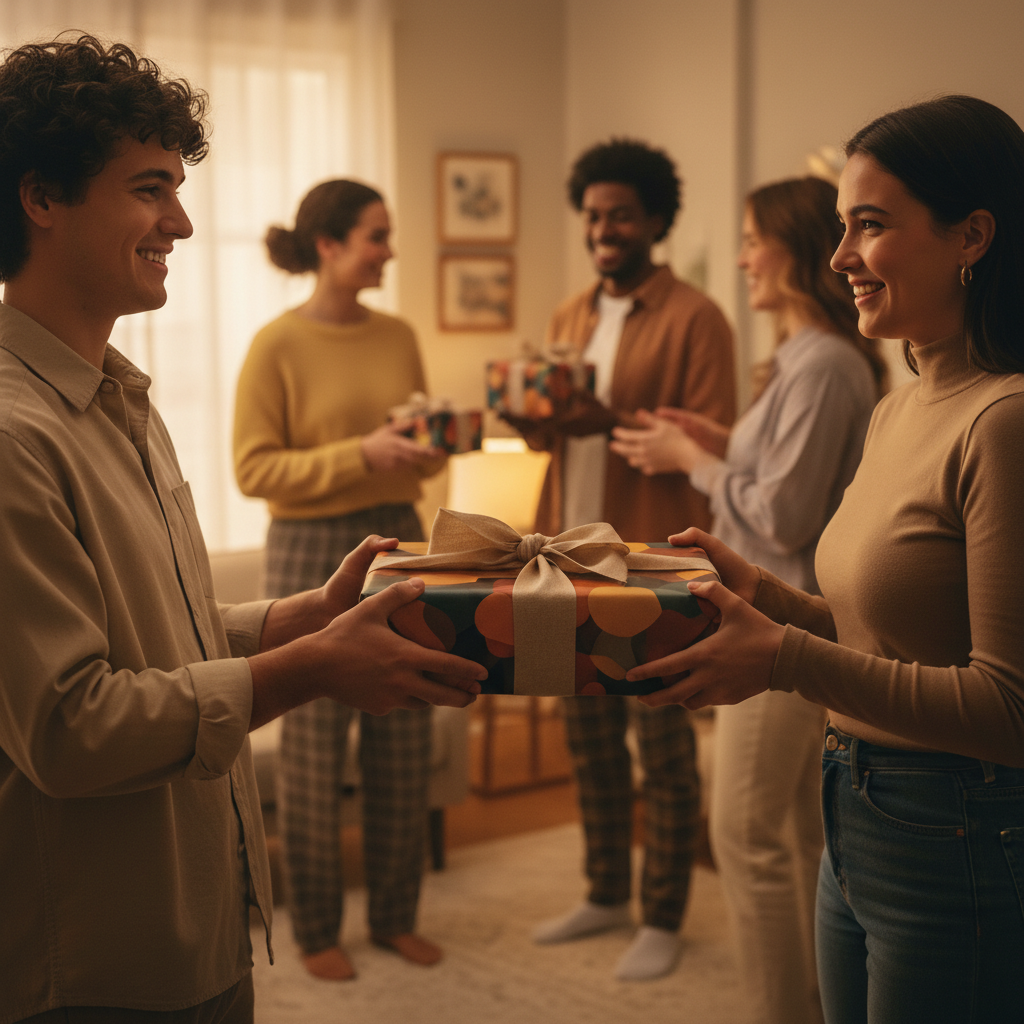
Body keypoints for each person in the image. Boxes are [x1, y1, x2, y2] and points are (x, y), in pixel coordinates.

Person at [0, 35, 484, 1024]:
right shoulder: (13, 438)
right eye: (149, 190)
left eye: (177, 190)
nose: (181, 222)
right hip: (100, 970)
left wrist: (294, 620)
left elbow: (154, 637)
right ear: (41, 198)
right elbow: (71, 728)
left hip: (202, 931)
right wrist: (307, 669)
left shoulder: (124, 403)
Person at [626, 96, 1024, 1023]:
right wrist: (767, 595)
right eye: (841, 227)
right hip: (855, 806)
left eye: (870, 225)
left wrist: (783, 658)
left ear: (972, 237)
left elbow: (1008, 709)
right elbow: (883, 634)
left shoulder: (1003, 422)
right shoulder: (898, 405)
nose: (840, 256)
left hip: (955, 828)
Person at [611, 176, 886, 1024]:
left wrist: (692, 462)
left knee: (745, 833)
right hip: (780, 612)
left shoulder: (825, 365)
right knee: (796, 835)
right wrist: (720, 442)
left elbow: (783, 513)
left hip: (783, 620)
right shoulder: (802, 361)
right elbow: (782, 475)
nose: (741, 260)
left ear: (793, 253)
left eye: (752, 241)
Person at [509, 139, 736, 981]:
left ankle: (664, 913)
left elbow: (707, 447)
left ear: (656, 221)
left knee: (662, 746)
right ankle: (605, 891)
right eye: (594, 216)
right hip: (564, 556)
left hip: (648, 561)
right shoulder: (570, 314)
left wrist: (603, 418)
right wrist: (533, 419)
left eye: (622, 216)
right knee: (589, 739)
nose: (604, 230)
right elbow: (556, 432)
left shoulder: (697, 318)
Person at [233, 180, 448, 982]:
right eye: (376, 236)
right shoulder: (275, 345)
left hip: (399, 535)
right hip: (310, 550)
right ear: (327, 244)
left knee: (405, 730)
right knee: (315, 749)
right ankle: (318, 927)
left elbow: (414, 453)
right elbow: (253, 469)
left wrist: (424, 450)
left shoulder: (398, 335)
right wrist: (361, 452)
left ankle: (396, 917)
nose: (389, 250)